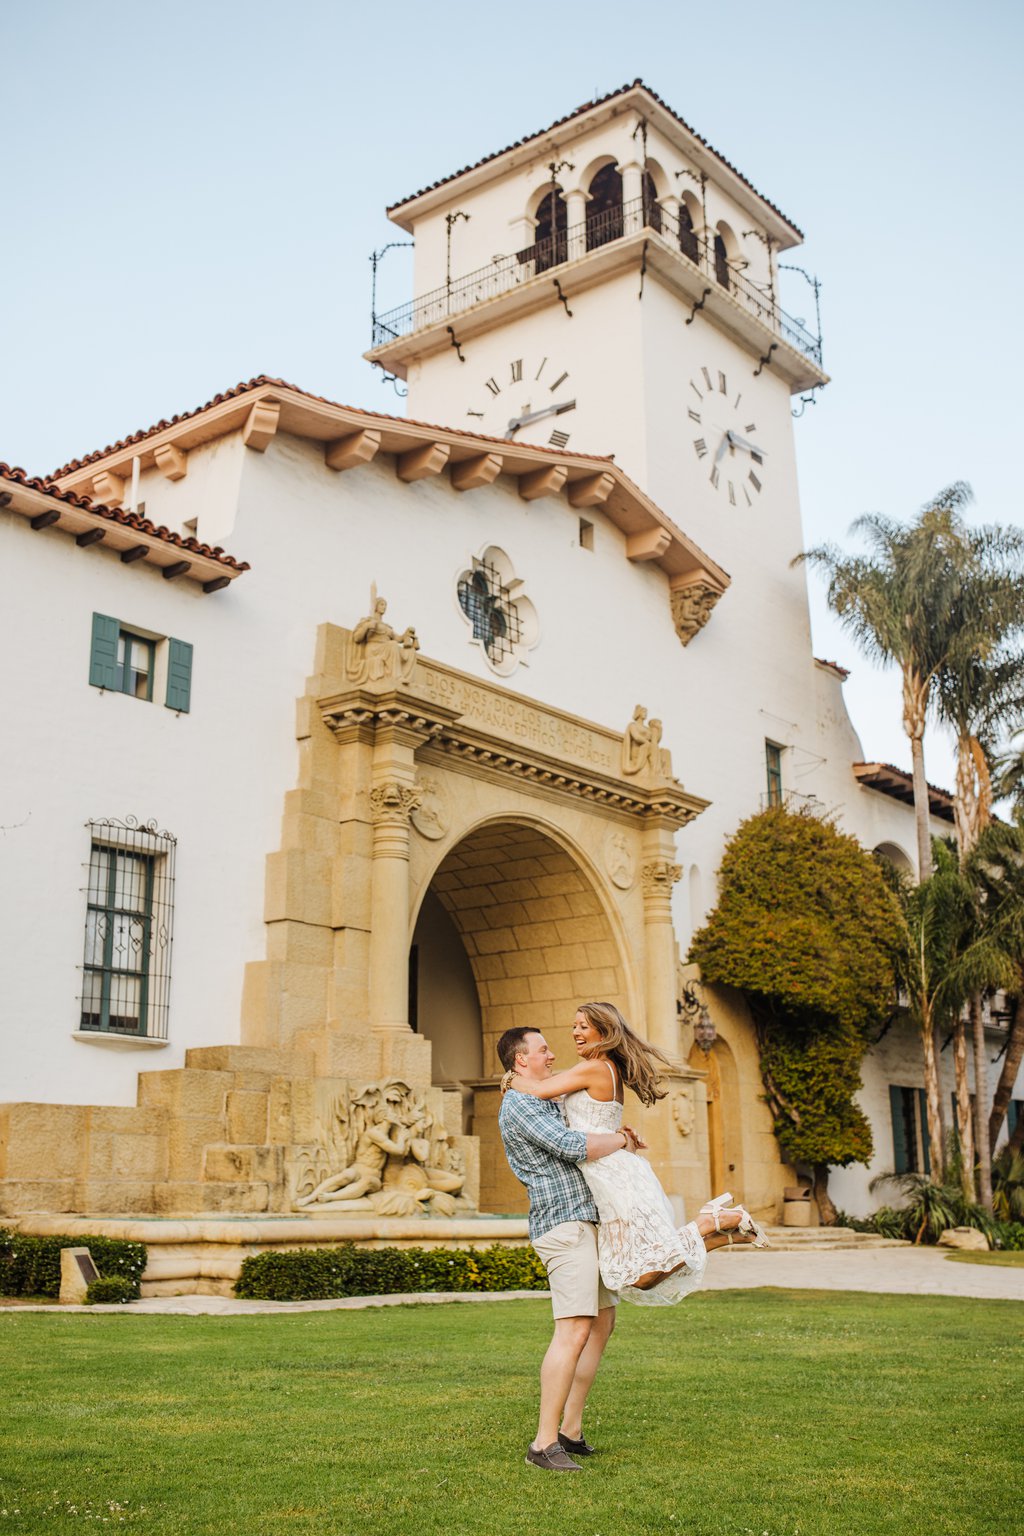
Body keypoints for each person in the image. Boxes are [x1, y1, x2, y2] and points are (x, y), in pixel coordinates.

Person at [504, 1001, 769, 1308]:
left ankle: (710, 1222)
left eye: (583, 1026)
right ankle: (721, 1233)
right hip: (609, 1174)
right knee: (635, 1275)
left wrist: (509, 1079)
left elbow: (538, 1091)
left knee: (638, 1272)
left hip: (613, 1176)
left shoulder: (595, 1067)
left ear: (604, 1032)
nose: (575, 1032)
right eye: (574, 1026)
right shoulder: (599, 1068)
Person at [497, 1025, 645, 1473]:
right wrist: (623, 1140)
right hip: (563, 1224)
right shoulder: (521, 1105)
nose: (552, 1054)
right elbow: (569, 1146)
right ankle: (543, 1444)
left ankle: (571, 1430)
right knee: (575, 1327)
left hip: (586, 1219)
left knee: (601, 1324)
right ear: (522, 1059)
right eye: (543, 1050)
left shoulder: (540, 1097)